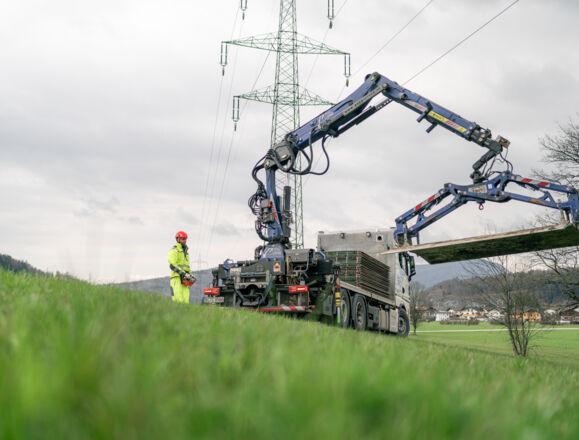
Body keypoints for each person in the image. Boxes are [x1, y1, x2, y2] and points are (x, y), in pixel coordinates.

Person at [168, 231, 196, 304]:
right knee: (177, 301)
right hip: (176, 279)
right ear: (177, 239)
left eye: (185, 239)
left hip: (184, 281)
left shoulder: (186, 253)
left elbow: (187, 267)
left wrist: (190, 274)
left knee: (185, 302)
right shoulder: (174, 250)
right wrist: (183, 274)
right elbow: (172, 265)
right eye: (183, 239)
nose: (185, 241)